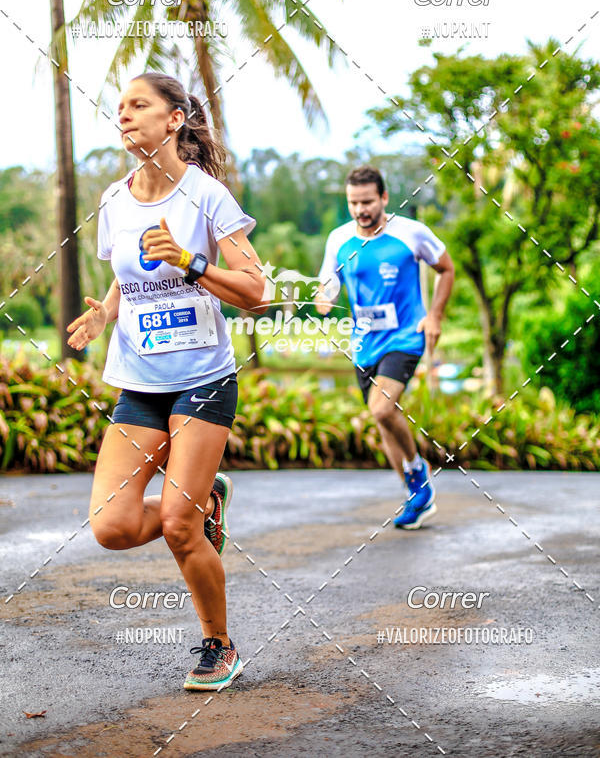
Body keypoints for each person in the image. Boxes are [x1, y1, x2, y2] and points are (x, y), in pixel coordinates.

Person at [66, 72, 268, 690]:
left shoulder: (207, 198)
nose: (123, 116)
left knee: (179, 527)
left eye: (138, 106)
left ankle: (218, 645)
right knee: (113, 527)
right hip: (139, 381)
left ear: (174, 118)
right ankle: (204, 500)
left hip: (203, 378)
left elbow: (258, 293)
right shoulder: (115, 200)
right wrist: (104, 312)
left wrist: (192, 261)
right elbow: (125, 282)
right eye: (119, 108)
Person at [316, 166, 454, 529]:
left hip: (406, 336)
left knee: (381, 409)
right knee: (385, 424)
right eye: (353, 203)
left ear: (384, 198)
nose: (360, 210)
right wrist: (324, 296)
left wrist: (435, 316)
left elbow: (447, 269)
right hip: (364, 343)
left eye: (367, 202)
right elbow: (327, 280)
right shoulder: (339, 239)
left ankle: (418, 472)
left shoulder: (411, 233)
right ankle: (416, 494)